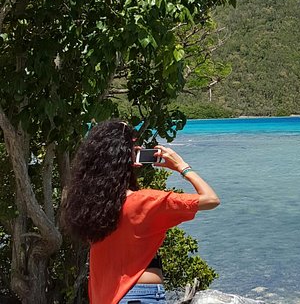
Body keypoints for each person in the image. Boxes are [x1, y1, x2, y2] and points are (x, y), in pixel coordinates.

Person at [61, 120, 220, 304]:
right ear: (126, 159)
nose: (140, 149)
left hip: (105, 296)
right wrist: (182, 167)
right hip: (141, 295)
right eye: (135, 148)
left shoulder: (88, 206)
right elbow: (211, 199)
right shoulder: (145, 202)